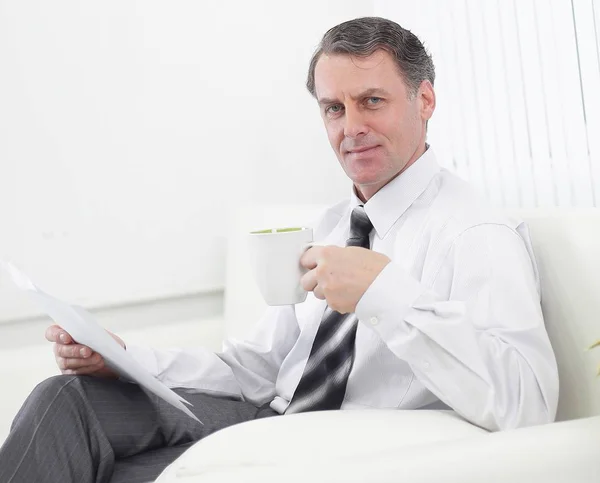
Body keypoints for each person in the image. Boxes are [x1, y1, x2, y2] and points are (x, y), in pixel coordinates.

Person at [0, 16, 559, 483]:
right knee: (66, 400)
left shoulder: (476, 232)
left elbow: (528, 402)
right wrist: (123, 359)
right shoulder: (334, 223)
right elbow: (255, 369)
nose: (352, 126)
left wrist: (384, 292)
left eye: (372, 101)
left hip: (344, 449)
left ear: (425, 99)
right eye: (333, 109)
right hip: (273, 418)